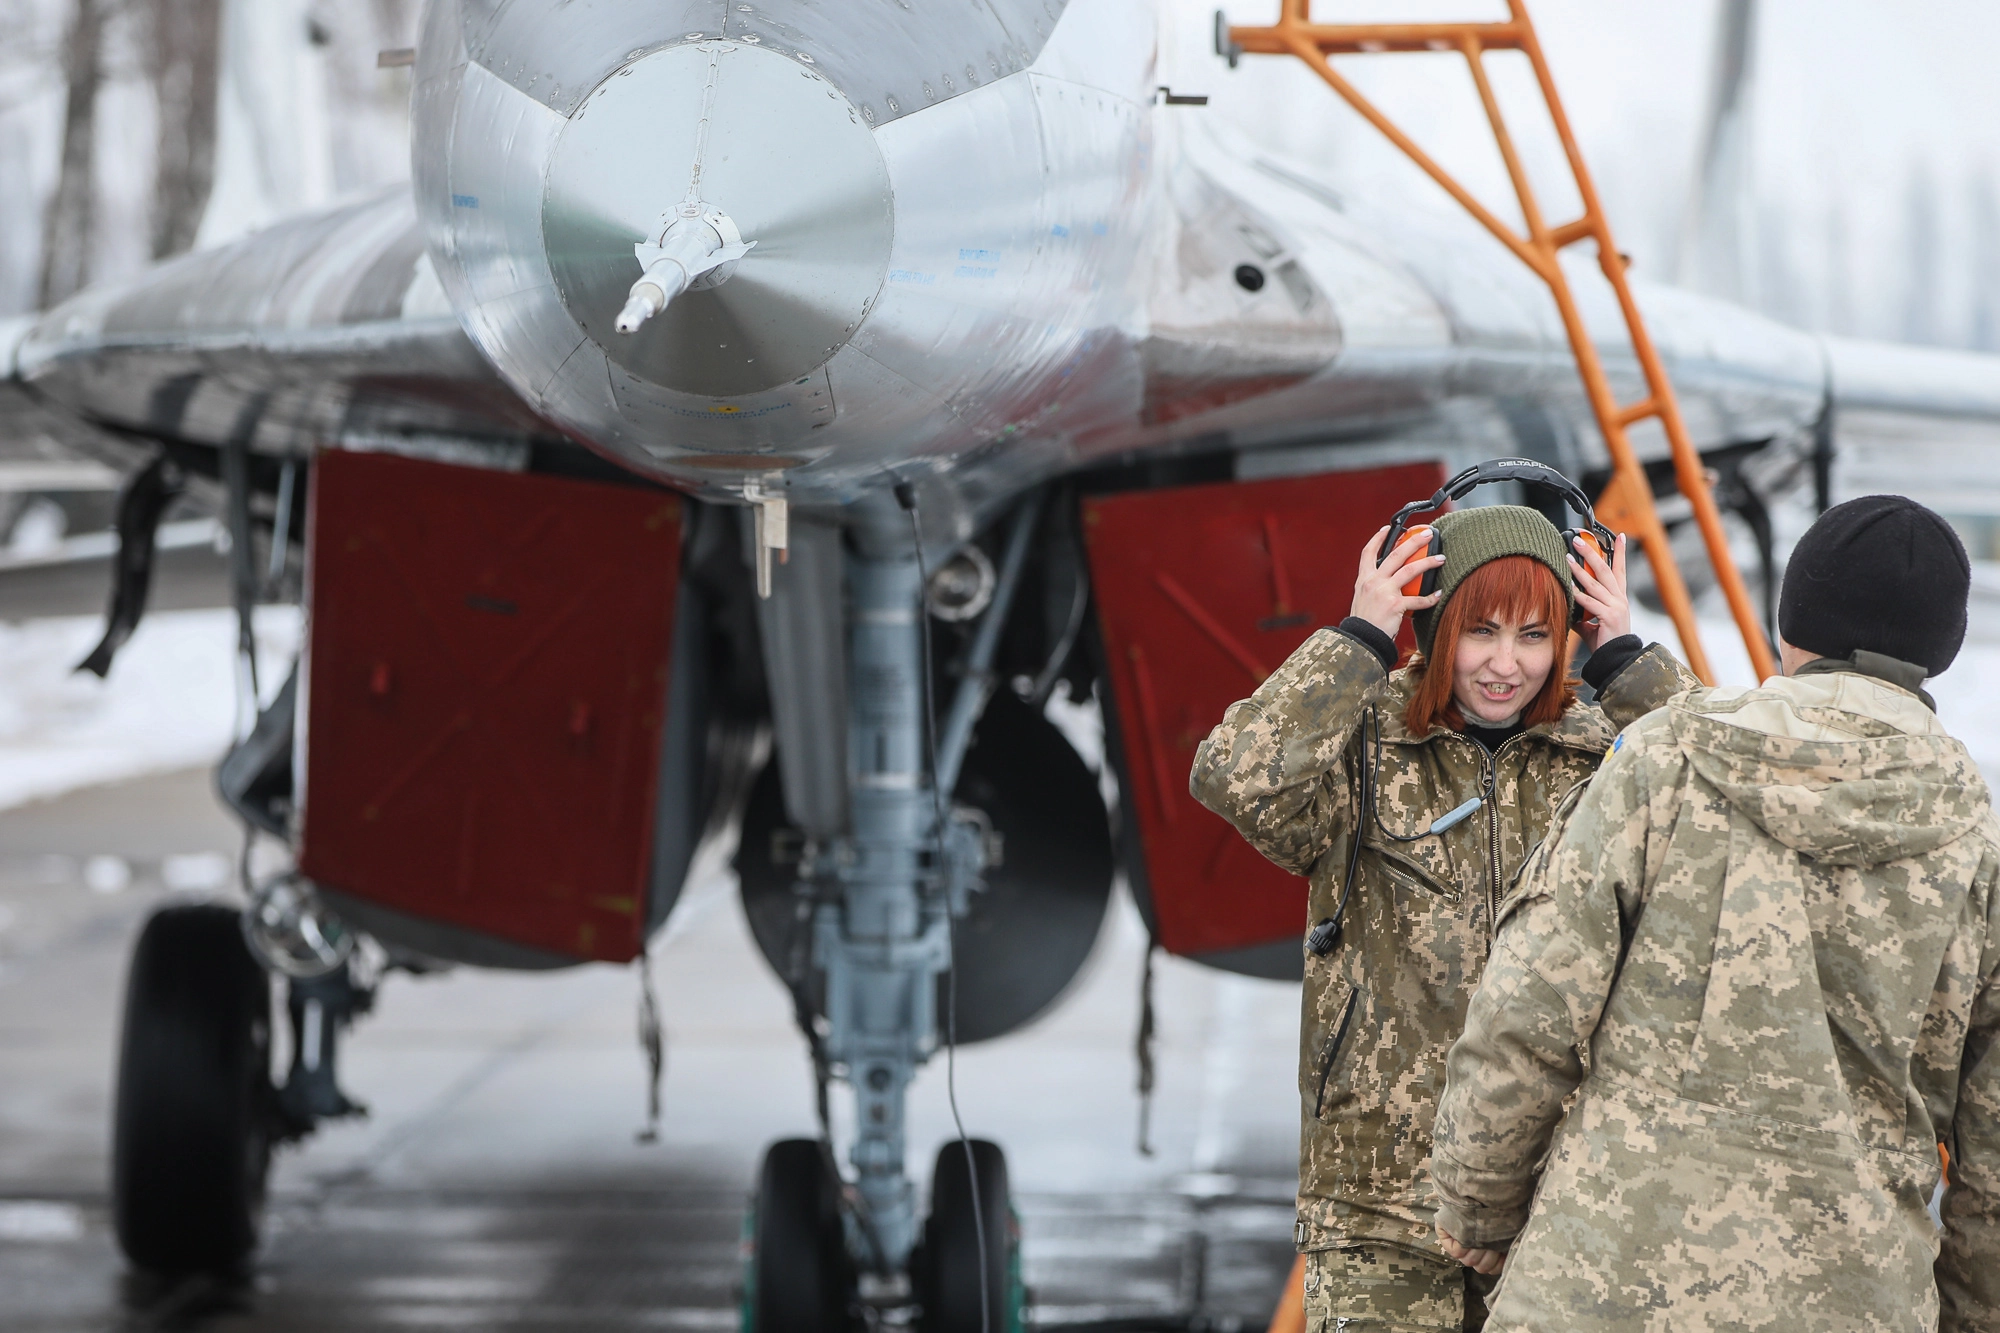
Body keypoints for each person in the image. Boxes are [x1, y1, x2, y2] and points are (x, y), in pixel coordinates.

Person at [1428, 494, 2000, 1332]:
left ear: (1791, 621)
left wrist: (1477, 1203)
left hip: (1603, 1283)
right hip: (1849, 1299)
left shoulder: (1667, 758)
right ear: (1940, 650)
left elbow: (1532, 1005)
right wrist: (1972, 1311)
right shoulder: (1976, 837)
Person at [1190, 500, 1697, 1333]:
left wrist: (1625, 659)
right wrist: (1357, 638)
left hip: (1560, 1206)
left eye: (1537, 634)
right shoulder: (1360, 741)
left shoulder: (1613, 753)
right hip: (1382, 1207)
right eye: (1479, 630)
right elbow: (1235, 777)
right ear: (1432, 627)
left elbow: (1726, 802)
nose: (1506, 664)